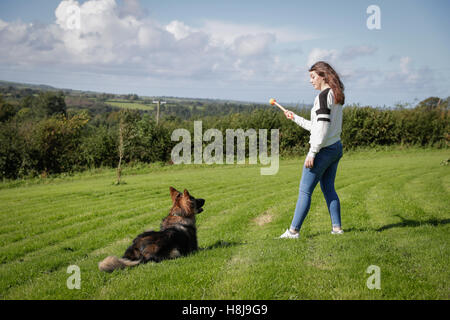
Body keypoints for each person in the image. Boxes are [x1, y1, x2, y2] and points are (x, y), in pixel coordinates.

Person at [279, 61, 345, 239]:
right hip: (335, 147)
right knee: (328, 188)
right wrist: (295, 118)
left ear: (323, 76)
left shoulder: (323, 97)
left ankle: (293, 231)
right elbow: (317, 126)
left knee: (305, 190)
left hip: (323, 150)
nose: (311, 81)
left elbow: (321, 129)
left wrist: (312, 152)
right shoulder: (335, 94)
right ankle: (337, 229)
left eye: (313, 77)